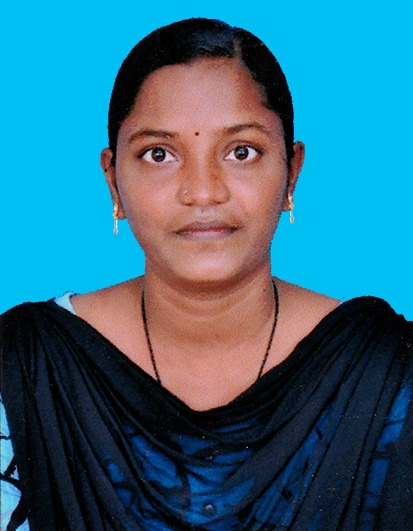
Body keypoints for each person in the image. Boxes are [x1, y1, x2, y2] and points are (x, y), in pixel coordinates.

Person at [1, 17, 412, 530]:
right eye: (159, 154)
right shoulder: (23, 368)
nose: (203, 192)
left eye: (242, 152)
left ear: (292, 171)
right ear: (113, 179)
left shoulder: (388, 372)